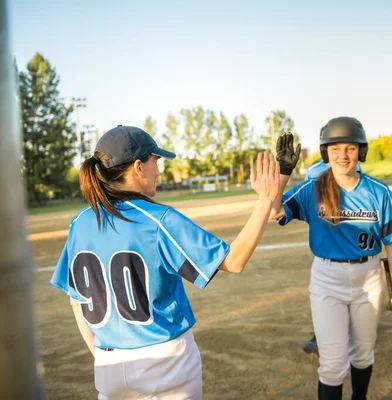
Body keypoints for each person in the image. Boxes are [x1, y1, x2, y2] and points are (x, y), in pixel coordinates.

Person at [50, 125, 280, 399]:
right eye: (155, 161)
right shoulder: (159, 219)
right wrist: (266, 200)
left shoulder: (81, 222)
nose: (158, 170)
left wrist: (102, 354)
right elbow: (235, 261)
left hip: (108, 363)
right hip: (165, 362)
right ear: (138, 167)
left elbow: (75, 300)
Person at [272, 117, 392, 400]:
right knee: (333, 365)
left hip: (369, 279)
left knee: (362, 355)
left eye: (350, 148)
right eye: (335, 149)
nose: (343, 155)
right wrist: (284, 172)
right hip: (327, 280)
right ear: (326, 153)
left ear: (361, 151)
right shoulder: (313, 188)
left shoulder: (378, 191)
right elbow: (275, 211)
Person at [302, 158, 363, 354]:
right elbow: (307, 201)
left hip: (348, 231)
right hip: (326, 235)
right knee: (324, 293)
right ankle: (322, 336)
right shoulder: (313, 170)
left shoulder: (352, 164)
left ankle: (352, 332)